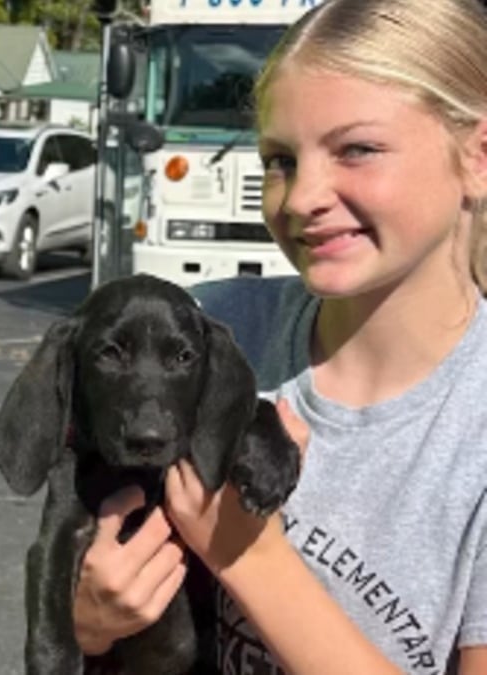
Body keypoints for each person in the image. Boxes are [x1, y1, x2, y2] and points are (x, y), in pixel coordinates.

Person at [72, 0, 487, 672]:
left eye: (357, 149)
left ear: (477, 157)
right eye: (279, 160)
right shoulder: (206, 333)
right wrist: (87, 622)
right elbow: (80, 547)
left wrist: (250, 553)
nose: (300, 198)